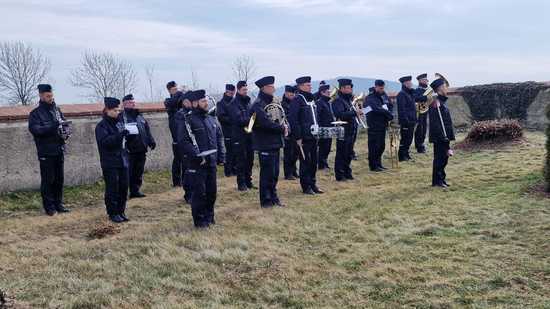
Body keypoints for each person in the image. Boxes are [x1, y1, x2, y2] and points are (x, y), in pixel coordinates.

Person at [177, 90, 224, 228]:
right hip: (197, 163)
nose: (206, 103)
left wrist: (221, 155)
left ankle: (210, 217)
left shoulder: (210, 119)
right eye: (203, 101)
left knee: (211, 192)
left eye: (206, 101)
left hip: (211, 162)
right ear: (195, 103)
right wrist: (196, 155)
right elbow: (183, 141)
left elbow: (218, 137)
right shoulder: (188, 120)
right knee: (199, 193)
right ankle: (200, 221)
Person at [28, 84, 70, 216]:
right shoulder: (35, 114)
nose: (50, 98)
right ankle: (49, 207)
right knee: (48, 180)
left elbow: (62, 125)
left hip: (59, 149)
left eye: (51, 95)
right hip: (46, 152)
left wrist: (66, 131)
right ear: (41, 96)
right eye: (47, 96)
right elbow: (36, 130)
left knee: (59, 179)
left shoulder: (57, 110)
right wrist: (54, 125)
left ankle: (58, 204)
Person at [250, 76, 288, 208]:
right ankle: (266, 201)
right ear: (264, 88)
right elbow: (266, 123)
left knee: (275, 173)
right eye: (271, 87)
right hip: (265, 143)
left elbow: (280, 117)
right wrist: (282, 128)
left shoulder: (273, 102)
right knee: (267, 173)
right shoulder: (258, 104)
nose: (274, 89)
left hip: (275, 142)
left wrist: (285, 125)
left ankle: (273, 197)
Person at [95, 97, 130, 223]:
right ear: (107, 110)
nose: (118, 113)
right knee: (112, 188)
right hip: (110, 162)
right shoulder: (101, 126)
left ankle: (121, 211)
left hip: (122, 160)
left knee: (123, 187)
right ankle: (113, 213)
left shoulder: (120, 123)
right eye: (115, 110)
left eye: (119, 110)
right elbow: (105, 142)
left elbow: (124, 141)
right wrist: (120, 135)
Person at [289, 76, 324, 195]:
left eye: (310, 84)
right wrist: (298, 136)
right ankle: (306, 186)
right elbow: (293, 120)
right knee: (305, 162)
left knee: (314, 161)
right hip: (303, 137)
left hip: (313, 135)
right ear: (300, 86)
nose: (310, 86)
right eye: (307, 85)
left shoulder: (312, 98)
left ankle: (313, 184)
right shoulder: (297, 100)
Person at [121, 94, 156, 198]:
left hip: (141, 148)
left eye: (133, 102)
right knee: (129, 172)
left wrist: (151, 141)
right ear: (125, 104)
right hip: (130, 150)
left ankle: (135, 190)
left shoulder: (139, 116)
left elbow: (146, 130)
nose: (133, 104)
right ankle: (124, 192)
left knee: (138, 171)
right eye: (131, 103)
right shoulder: (122, 117)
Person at [228, 81, 255, 191]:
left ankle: (248, 181)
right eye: (244, 90)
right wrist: (253, 119)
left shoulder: (248, 102)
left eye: (246, 90)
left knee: (250, 159)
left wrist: (253, 120)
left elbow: (252, 116)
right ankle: (241, 183)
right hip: (239, 136)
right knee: (241, 161)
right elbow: (239, 120)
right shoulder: (233, 104)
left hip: (249, 135)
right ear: (238, 90)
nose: (245, 91)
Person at [429, 78, 455, 188]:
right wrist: (442, 136)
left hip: (444, 136)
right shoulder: (436, 103)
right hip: (440, 136)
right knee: (439, 159)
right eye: (445, 86)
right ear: (439, 88)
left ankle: (441, 179)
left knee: (444, 159)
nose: (446, 88)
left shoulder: (442, 102)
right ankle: (437, 181)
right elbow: (436, 123)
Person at [332, 78, 360, 181]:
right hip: (342, 131)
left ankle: (347, 172)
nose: (350, 90)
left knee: (348, 153)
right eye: (348, 88)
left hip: (351, 130)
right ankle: (340, 174)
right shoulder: (337, 101)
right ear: (342, 89)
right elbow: (340, 114)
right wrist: (355, 113)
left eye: (350, 88)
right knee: (341, 153)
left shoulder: (348, 100)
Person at [365, 80, 394, 172]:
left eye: (383, 88)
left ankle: (379, 163)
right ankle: (373, 165)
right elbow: (376, 108)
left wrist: (389, 111)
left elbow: (389, 104)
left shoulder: (383, 95)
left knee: (381, 146)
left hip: (382, 124)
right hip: (374, 125)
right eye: (380, 88)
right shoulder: (370, 97)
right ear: (376, 87)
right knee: (374, 146)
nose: (382, 90)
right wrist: (387, 113)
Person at [164, 81, 185, 187]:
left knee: (185, 158)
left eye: (177, 89)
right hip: (176, 134)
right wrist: (179, 93)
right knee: (177, 158)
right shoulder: (168, 101)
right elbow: (172, 102)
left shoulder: (180, 99)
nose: (176, 91)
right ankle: (176, 182)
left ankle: (185, 179)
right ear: (169, 90)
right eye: (174, 90)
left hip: (184, 132)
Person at [216, 84, 236, 177]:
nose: (232, 94)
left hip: (236, 131)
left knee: (236, 152)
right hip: (227, 131)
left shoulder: (235, 101)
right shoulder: (221, 103)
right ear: (227, 92)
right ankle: (228, 171)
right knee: (230, 152)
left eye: (233, 92)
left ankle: (235, 170)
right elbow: (221, 117)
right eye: (231, 93)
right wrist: (233, 119)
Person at [397, 75, 417, 162]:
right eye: (409, 82)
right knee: (404, 139)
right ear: (405, 84)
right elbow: (402, 109)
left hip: (411, 120)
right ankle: (401, 156)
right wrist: (405, 121)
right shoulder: (402, 94)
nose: (411, 84)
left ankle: (406, 154)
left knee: (409, 139)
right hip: (406, 121)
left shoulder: (410, 93)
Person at [281, 85, 299, 180]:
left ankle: (294, 171)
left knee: (295, 153)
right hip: (287, 132)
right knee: (288, 154)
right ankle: (288, 173)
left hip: (294, 131)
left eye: (294, 95)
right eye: (291, 95)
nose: (293, 96)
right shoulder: (283, 104)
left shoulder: (294, 103)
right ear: (286, 94)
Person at [316, 82, 333, 170]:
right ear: (322, 92)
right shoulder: (319, 102)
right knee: (323, 147)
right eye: (327, 92)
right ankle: (321, 165)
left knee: (328, 147)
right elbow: (317, 116)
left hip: (330, 127)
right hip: (323, 128)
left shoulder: (328, 102)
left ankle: (325, 162)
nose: (329, 93)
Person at [414, 73, 430, 153]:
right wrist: (426, 97)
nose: (426, 81)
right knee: (420, 129)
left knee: (424, 129)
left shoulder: (426, 90)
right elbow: (416, 98)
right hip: (419, 111)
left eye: (426, 80)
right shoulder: (417, 90)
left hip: (425, 110)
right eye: (424, 80)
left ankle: (422, 143)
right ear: (420, 81)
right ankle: (419, 146)